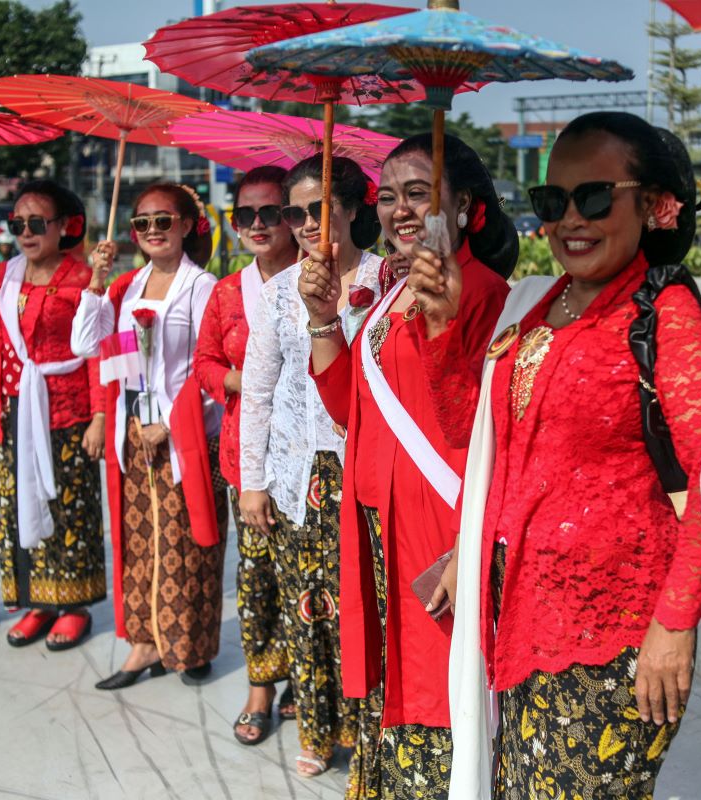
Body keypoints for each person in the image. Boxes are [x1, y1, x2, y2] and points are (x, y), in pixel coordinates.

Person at [410, 114, 701, 799]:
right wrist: (444, 329)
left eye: (593, 198)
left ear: (654, 206)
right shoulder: (542, 306)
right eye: (551, 202)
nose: (570, 219)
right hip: (520, 626)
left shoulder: (667, 317)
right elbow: (473, 434)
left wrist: (674, 628)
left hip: (613, 643)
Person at [302, 134, 516, 799]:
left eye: (419, 193)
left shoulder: (483, 291)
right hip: (377, 525)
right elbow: (350, 410)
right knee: (394, 684)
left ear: (467, 208)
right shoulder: (392, 292)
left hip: (438, 529)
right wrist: (321, 319)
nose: (398, 210)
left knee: (436, 689)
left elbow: (493, 427)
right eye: (388, 196)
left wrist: (466, 548)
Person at [238, 155, 383, 784]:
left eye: (317, 209)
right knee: (308, 608)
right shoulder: (275, 294)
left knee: (364, 607)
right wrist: (253, 480)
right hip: (299, 474)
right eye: (294, 212)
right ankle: (320, 729)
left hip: (365, 470)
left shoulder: (387, 281)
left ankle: (371, 733)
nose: (302, 224)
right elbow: (260, 391)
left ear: (352, 209)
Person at [74, 183, 225, 688]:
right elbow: (95, 349)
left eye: (164, 221)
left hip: (183, 437)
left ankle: (190, 646)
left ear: (186, 225)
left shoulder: (201, 287)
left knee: (187, 545)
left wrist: (173, 423)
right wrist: (95, 282)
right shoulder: (127, 285)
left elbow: (210, 368)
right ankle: (143, 644)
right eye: (143, 223)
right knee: (139, 543)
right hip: (137, 432)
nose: (153, 231)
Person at [0, 179, 106, 651]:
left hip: (66, 412)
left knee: (69, 507)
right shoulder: (0, 277)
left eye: (37, 222)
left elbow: (97, 351)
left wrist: (99, 415)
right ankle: (36, 600)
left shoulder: (84, 279)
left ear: (64, 226)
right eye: (18, 224)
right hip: (10, 412)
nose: (26, 232)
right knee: (16, 507)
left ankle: (73, 605)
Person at [194, 166, 297, 743]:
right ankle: (261, 684)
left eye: (271, 212)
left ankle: (308, 684)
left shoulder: (320, 281)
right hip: (247, 457)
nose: (257, 225)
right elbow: (204, 361)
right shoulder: (227, 292)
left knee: (308, 576)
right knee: (256, 575)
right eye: (245, 215)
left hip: (310, 458)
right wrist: (239, 380)